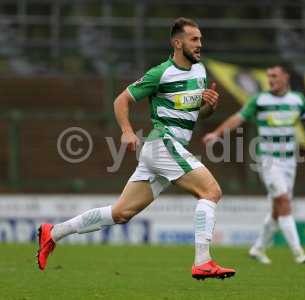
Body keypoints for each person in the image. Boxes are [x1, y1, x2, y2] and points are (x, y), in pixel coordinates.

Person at [37, 17, 235, 280]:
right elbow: (122, 99)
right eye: (194, 39)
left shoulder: (199, 72)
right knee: (210, 191)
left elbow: (196, 114)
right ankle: (202, 262)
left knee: (121, 213)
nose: (200, 44)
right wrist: (127, 131)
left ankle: (54, 232)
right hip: (164, 144)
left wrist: (209, 105)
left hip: (164, 150)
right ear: (178, 43)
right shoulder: (160, 73)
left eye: (200, 39)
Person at [203, 65, 305, 264]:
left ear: (285, 77)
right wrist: (217, 133)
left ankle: (258, 248)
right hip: (268, 160)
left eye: (274, 76)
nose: (270, 80)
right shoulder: (260, 100)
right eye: (268, 76)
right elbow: (238, 118)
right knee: (284, 202)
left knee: (277, 209)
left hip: (289, 161)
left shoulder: (297, 100)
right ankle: (298, 252)